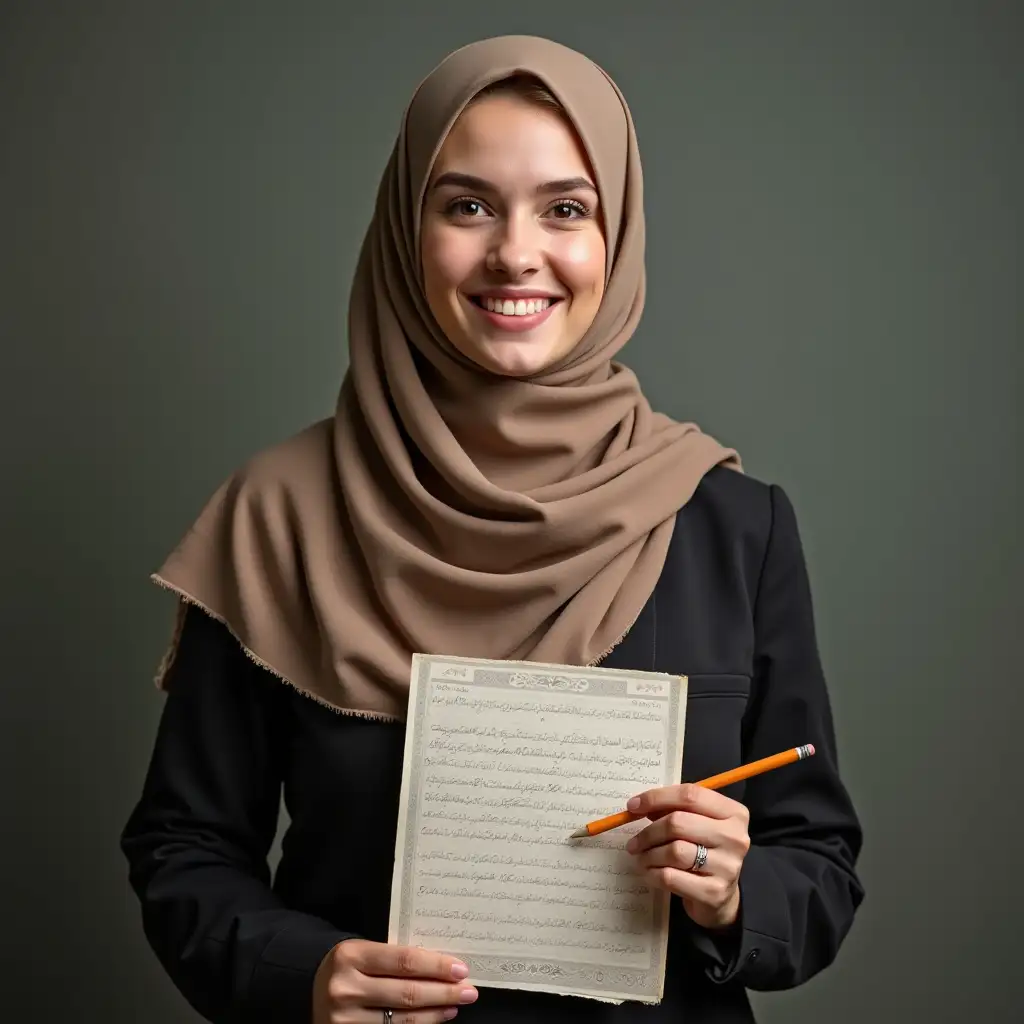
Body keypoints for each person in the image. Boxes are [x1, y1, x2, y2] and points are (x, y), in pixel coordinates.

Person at [121, 34, 864, 1024]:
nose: (516, 252)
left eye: (566, 209)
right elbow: (185, 851)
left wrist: (734, 893)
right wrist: (301, 971)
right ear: (403, 229)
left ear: (617, 236)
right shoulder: (281, 511)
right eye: (466, 205)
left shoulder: (730, 523)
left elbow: (817, 871)